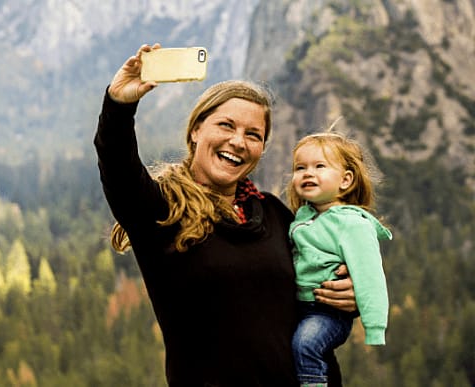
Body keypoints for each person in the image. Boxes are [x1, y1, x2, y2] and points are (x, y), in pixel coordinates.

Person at [94, 43, 357, 386]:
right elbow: (118, 166)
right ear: (196, 130)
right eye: (226, 125)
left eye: (253, 135)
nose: (238, 141)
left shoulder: (274, 213)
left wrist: (346, 294)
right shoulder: (161, 212)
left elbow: (319, 275)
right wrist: (118, 104)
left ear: (261, 149)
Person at [286, 131, 391, 386]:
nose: (308, 173)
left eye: (319, 166)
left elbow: (370, 277)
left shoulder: (353, 224)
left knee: (306, 343)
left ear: (345, 180)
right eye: (301, 168)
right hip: (299, 307)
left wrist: (374, 326)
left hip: (329, 312)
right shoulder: (301, 218)